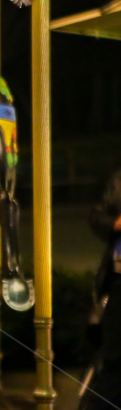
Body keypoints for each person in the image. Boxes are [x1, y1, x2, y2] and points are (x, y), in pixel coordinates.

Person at [80, 170, 121, 409]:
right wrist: (116, 223)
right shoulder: (119, 180)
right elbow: (98, 217)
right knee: (114, 359)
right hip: (119, 282)